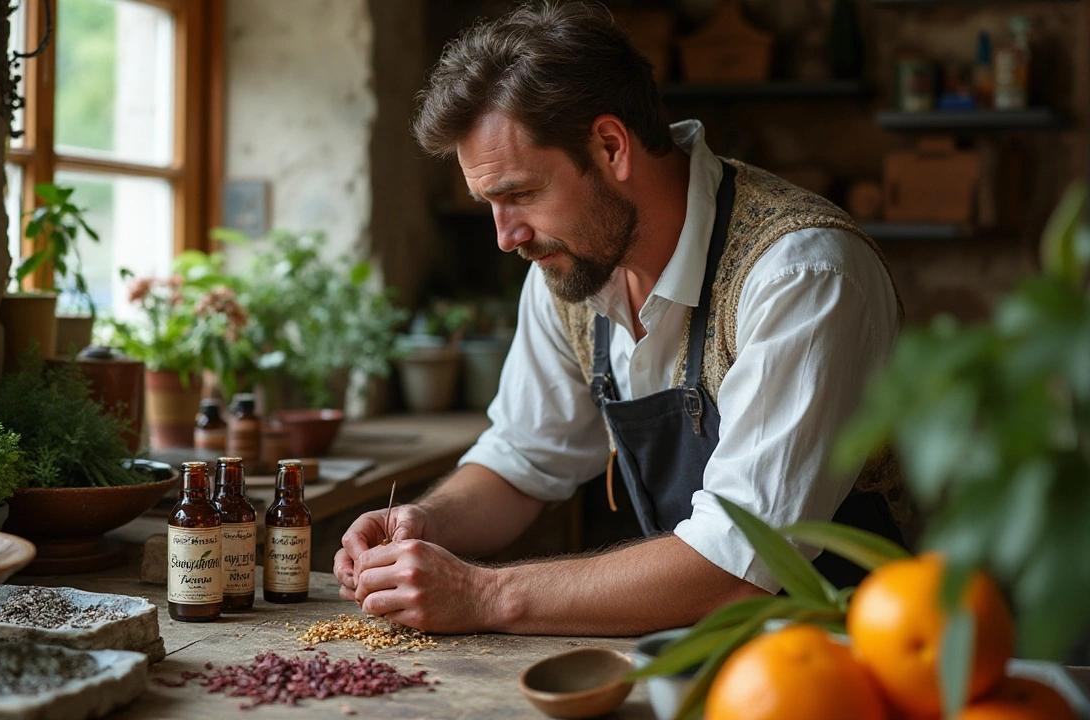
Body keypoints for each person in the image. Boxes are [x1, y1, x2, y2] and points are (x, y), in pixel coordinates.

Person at [334, 0, 908, 636]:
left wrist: (483, 594)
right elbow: (524, 458)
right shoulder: (567, 270)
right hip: (693, 658)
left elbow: (737, 565)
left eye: (520, 194)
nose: (505, 236)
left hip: (851, 660)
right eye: (488, 203)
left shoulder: (802, 274)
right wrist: (427, 520)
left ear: (611, 147)